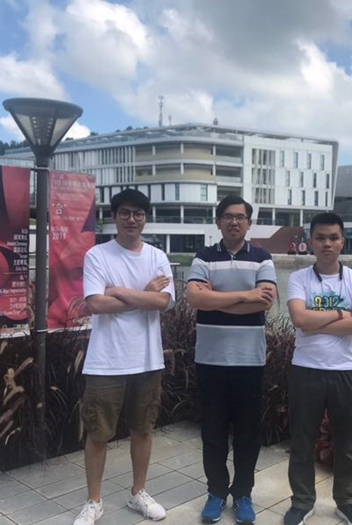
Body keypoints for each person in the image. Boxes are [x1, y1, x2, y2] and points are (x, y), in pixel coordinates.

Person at [73, 189, 175, 525]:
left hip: (147, 359)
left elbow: (163, 302)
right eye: (125, 213)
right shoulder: (98, 255)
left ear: (146, 218)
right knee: (98, 433)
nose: (132, 219)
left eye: (139, 213)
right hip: (106, 360)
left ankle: (138, 492)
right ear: (114, 216)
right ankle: (94, 501)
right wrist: (144, 294)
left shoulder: (157, 257)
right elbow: (95, 304)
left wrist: (118, 291)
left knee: (143, 429)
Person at [186, 195, 277, 524]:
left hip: (249, 360)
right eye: (228, 216)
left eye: (240, 217)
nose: (234, 222)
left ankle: (242, 493)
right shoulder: (204, 256)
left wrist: (215, 299)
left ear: (249, 223)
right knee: (212, 432)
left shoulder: (263, 257)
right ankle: (216, 491)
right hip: (210, 360)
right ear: (218, 222)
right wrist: (244, 295)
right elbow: (194, 298)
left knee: (247, 433)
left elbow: (264, 302)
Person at [284, 212, 352, 525]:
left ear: (342, 242)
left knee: (347, 444)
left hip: (346, 372)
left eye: (333, 238)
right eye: (320, 238)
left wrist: (316, 321)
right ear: (311, 242)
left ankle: (347, 502)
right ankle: (301, 502)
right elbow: (299, 319)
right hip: (306, 371)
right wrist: (339, 314)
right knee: (302, 442)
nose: (327, 244)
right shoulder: (299, 279)